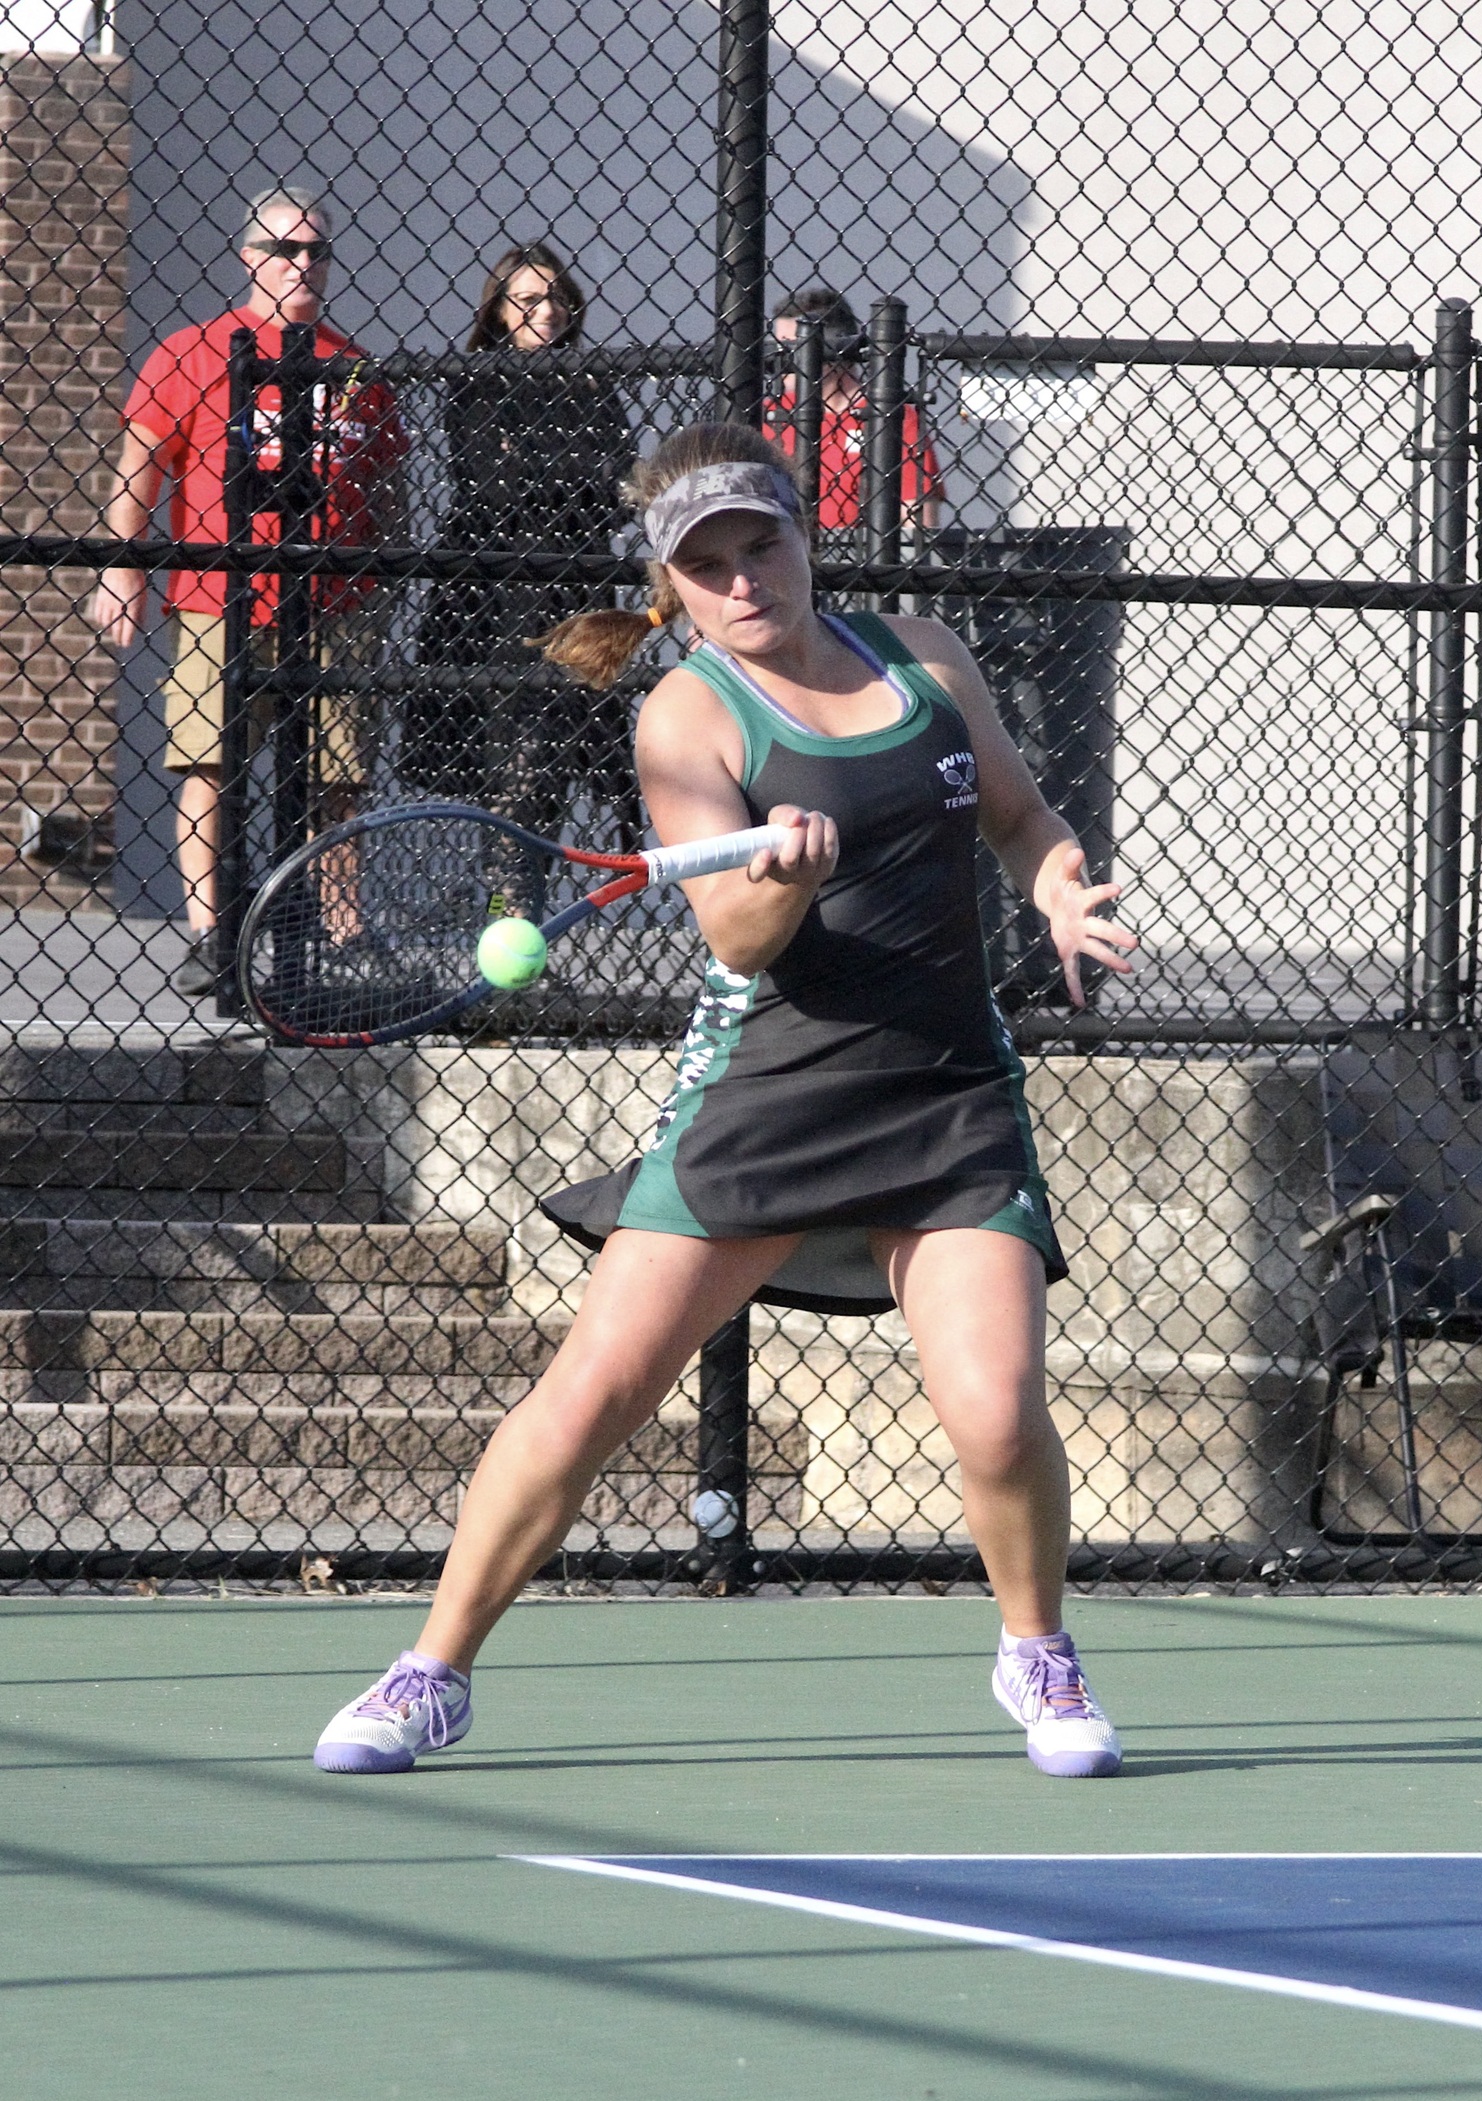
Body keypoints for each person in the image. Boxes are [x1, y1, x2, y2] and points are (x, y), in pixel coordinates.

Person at [311, 421, 1137, 1783]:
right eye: (711, 564)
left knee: (994, 1411)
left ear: (803, 538)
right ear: (674, 588)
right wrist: (790, 876)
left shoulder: (926, 653)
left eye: (764, 544)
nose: (746, 579)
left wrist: (1053, 882)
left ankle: (1038, 1647)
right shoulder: (687, 714)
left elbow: (1020, 818)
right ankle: (431, 1669)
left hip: (945, 1087)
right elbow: (740, 941)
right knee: (594, 1393)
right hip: (769, 1088)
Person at [92, 185, 404, 996]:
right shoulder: (192, 351)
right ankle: (212, 930)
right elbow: (142, 470)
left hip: (336, 604)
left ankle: (341, 932)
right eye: (284, 250)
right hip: (216, 599)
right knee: (211, 763)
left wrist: (383, 589)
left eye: (316, 251)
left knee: (340, 778)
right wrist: (123, 569)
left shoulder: (355, 365)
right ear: (248, 258)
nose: (303, 264)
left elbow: (387, 485)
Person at [404, 239, 636, 875]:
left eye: (559, 296)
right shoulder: (476, 382)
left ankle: (518, 921)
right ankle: (508, 925)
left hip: (578, 589)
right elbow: (493, 484)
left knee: (557, 760)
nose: (549, 310)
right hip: (496, 599)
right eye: (530, 298)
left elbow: (620, 486)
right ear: (499, 312)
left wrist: (554, 470)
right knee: (512, 763)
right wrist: (579, 473)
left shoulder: (591, 382)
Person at [766, 286, 944, 542]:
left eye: (791, 347)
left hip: (859, 569)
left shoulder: (891, 417)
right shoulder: (771, 417)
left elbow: (918, 526)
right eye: (776, 346)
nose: (778, 359)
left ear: (834, 345)